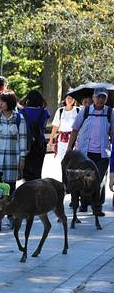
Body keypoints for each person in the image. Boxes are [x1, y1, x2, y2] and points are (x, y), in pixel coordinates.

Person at [67, 86, 114, 215]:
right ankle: (84, 203)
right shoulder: (86, 111)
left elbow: (112, 132)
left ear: (106, 99)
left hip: (103, 153)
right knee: (84, 178)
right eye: (98, 96)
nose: (100, 99)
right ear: (93, 97)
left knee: (99, 180)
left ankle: (97, 206)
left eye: (103, 97)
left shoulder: (110, 112)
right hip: (85, 152)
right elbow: (75, 129)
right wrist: (69, 147)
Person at [0, 91, 28, 193]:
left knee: (11, 187)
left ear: (10, 102)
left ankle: (10, 203)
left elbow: (23, 138)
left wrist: (22, 158)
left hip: (13, 158)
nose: (0, 103)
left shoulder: (19, 118)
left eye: (3, 101)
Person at [20, 90, 50, 181]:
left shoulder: (22, 112)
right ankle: (37, 185)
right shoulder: (45, 112)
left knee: (26, 169)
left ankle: (27, 186)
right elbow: (43, 127)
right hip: (40, 143)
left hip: (26, 143)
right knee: (38, 168)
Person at [48, 93, 79, 161]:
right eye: (68, 98)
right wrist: (51, 140)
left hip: (75, 139)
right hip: (62, 139)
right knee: (62, 159)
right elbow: (55, 126)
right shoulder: (60, 111)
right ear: (65, 99)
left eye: (72, 98)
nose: (70, 100)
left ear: (74, 100)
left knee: (73, 160)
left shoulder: (78, 110)